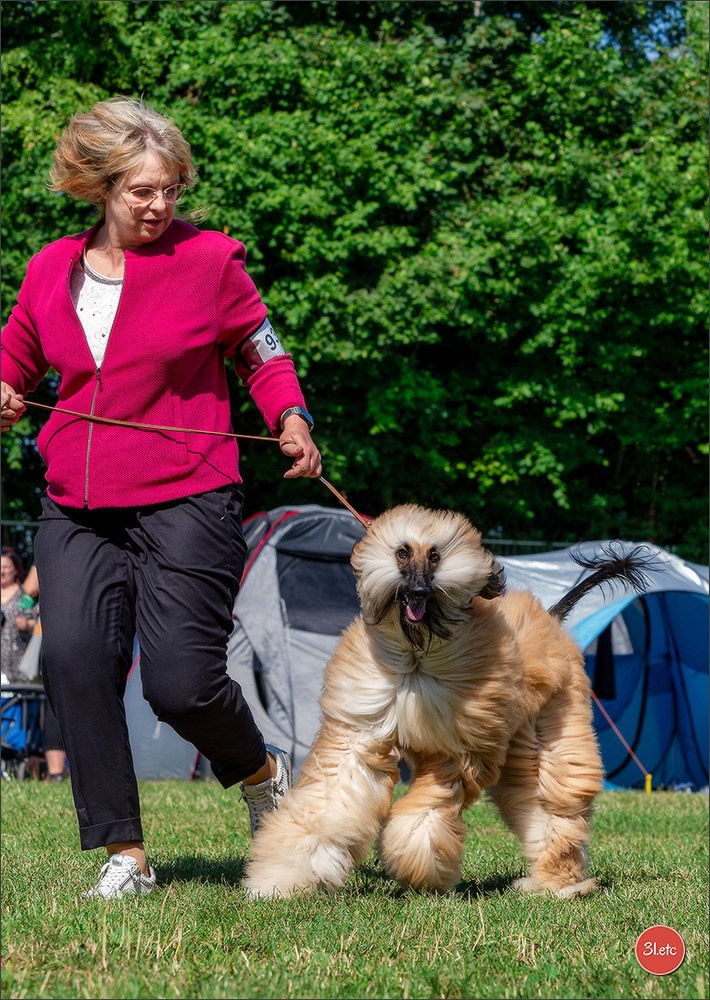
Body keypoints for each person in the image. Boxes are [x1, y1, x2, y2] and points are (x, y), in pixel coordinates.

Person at [0, 96, 322, 899]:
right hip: (75, 501)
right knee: (74, 660)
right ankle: (127, 855)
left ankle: (261, 773)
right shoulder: (50, 269)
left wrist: (289, 415)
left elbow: (261, 348)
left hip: (189, 495)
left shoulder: (210, 262)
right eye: (142, 191)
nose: (159, 205)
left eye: (171, 189)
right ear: (101, 188)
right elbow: (18, 352)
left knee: (179, 683)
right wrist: (5, 387)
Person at [1, 549, 37, 683]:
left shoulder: (25, 597)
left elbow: (41, 624)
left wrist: (28, 625)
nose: (2, 571)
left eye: (6, 567)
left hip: (19, 670)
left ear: (15, 570)